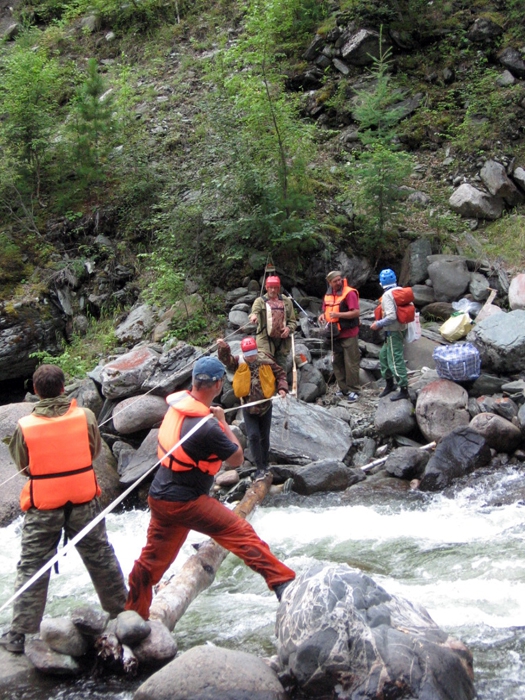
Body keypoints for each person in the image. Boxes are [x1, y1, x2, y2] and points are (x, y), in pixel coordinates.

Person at [125, 356, 295, 620]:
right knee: (240, 533)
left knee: (151, 563)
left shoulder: (177, 408)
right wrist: (223, 423)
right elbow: (236, 459)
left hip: (160, 497)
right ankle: (284, 582)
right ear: (217, 385)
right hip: (186, 501)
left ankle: (131, 614)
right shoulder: (207, 428)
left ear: (194, 382)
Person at [1, 365, 127, 654]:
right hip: (83, 499)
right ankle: (122, 612)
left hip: (44, 506)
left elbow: (24, 467)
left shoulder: (25, 425)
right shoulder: (86, 416)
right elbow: (94, 451)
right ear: (63, 388)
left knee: (32, 565)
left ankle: (19, 633)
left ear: (35, 391)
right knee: (100, 556)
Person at [217, 336, 288, 481]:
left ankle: (265, 463)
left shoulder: (265, 359)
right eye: (248, 355)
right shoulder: (238, 362)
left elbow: (280, 373)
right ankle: (259, 467)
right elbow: (226, 360)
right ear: (244, 353)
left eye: (253, 353)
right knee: (253, 436)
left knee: (265, 437)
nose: (251, 357)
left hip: (265, 406)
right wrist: (224, 347)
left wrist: (282, 388)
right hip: (249, 407)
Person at [319, 270, 360, 402]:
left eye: (339, 279)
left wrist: (338, 315)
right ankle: (343, 389)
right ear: (329, 282)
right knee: (337, 362)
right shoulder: (328, 294)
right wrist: (322, 316)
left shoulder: (349, 293)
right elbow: (326, 310)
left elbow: (356, 312)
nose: (338, 282)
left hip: (349, 333)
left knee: (351, 363)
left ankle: (354, 390)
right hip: (335, 335)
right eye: (335, 281)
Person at [370, 268, 410, 401]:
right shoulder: (400, 291)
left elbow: (392, 316)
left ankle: (404, 389)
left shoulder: (387, 295)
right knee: (383, 356)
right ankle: (389, 384)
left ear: (381, 283)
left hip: (393, 331)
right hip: (399, 329)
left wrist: (378, 324)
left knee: (395, 359)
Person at [249, 275, 297, 371]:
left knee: (281, 367)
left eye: (275, 288)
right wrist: (254, 316)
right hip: (264, 338)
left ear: (279, 288)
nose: (273, 290)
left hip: (282, 340)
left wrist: (288, 329)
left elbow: (293, 321)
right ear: (266, 288)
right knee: (265, 365)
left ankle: (282, 384)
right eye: (271, 287)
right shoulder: (260, 301)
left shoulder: (286, 301)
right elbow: (254, 312)